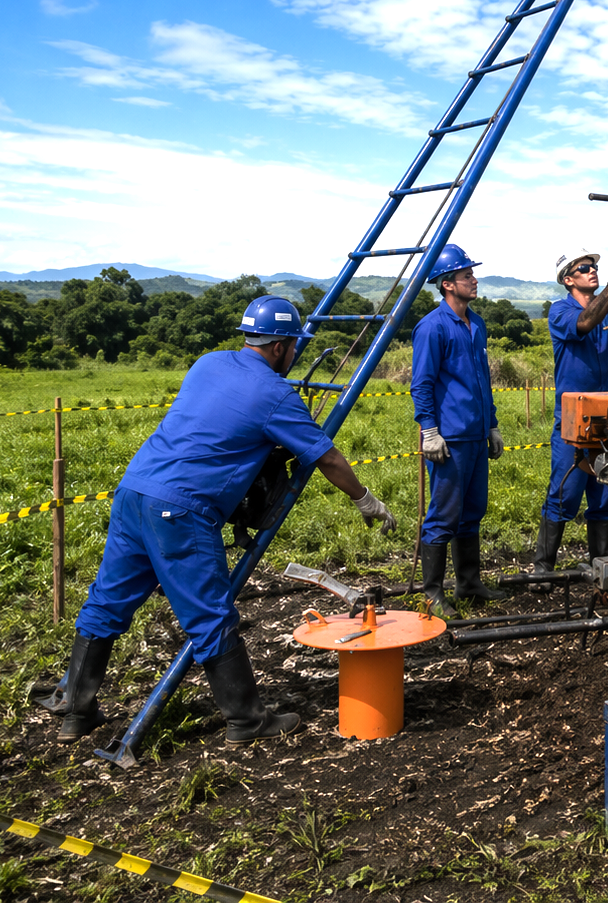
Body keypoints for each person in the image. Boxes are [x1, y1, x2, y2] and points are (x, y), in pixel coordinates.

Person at [51, 296, 397, 747]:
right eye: (295, 346)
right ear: (281, 347)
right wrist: (365, 499)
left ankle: (75, 711)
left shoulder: (208, 363)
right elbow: (327, 457)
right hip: (181, 509)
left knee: (108, 601)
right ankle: (246, 719)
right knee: (210, 614)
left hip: (135, 490)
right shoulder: (275, 396)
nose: (296, 355)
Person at [534, 227, 608, 581]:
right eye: (583, 268)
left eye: (593, 266)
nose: (591, 271)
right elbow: (585, 322)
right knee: (564, 492)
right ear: (568, 279)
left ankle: (602, 565)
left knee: (604, 495)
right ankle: (543, 567)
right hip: (573, 422)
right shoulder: (560, 311)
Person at [411, 244, 505, 618]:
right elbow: (422, 383)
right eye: (467, 276)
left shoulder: (476, 323)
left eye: (472, 274)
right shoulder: (432, 328)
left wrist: (492, 424)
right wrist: (429, 430)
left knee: (473, 510)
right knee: (444, 515)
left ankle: (468, 582)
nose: (474, 280)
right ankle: (432, 593)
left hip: (476, 434)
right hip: (449, 438)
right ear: (448, 284)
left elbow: (483, 379)